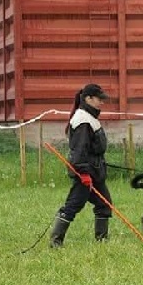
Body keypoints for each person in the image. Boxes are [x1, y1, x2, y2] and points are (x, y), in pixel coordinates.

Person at [49, 83, 112, 247]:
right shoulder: (82, 120)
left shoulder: (89, 117)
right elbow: (79, 150)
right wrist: (83, 173)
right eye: (99, 99)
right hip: (85, 173)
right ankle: (55, 242)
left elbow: (92, 149)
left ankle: (102, 240)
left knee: (104, 204)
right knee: (72, 206)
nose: (102, 103)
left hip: (95, 171)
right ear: (88, 98)